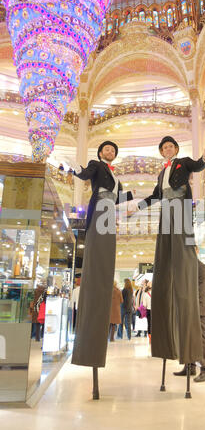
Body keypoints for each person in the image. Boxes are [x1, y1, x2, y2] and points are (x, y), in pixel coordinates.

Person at [132, 135, 205, 388]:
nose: (168, 149)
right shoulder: (161, 173)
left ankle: (203, 366)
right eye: (164, 147)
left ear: (176, 150)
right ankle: (189, 363)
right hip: (167, 208)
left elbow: (198, 166)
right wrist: (138, 206)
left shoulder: (183, 163)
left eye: (171, 146)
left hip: (180, 205)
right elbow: (157, 195)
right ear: (161, 152)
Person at [71, 141, 134, 368]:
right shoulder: (96, 165)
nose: (110, 152)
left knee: (107, 248)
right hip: (99, 207)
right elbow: (85, 174)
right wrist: (77, 170)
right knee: (98, 249)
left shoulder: (116, 178)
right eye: (107, 149)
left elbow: (118, 199)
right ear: (100, 153)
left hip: (109, 211)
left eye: (113, 150)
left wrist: (132, 196)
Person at [174, 249, 205, 382]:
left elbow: (201, 293)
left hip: (198, 309)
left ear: (196, 250)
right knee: (186, 338)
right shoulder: (186, 268)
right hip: (186, 309)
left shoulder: (202, 268)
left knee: (202, 339)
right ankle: (189, 366)